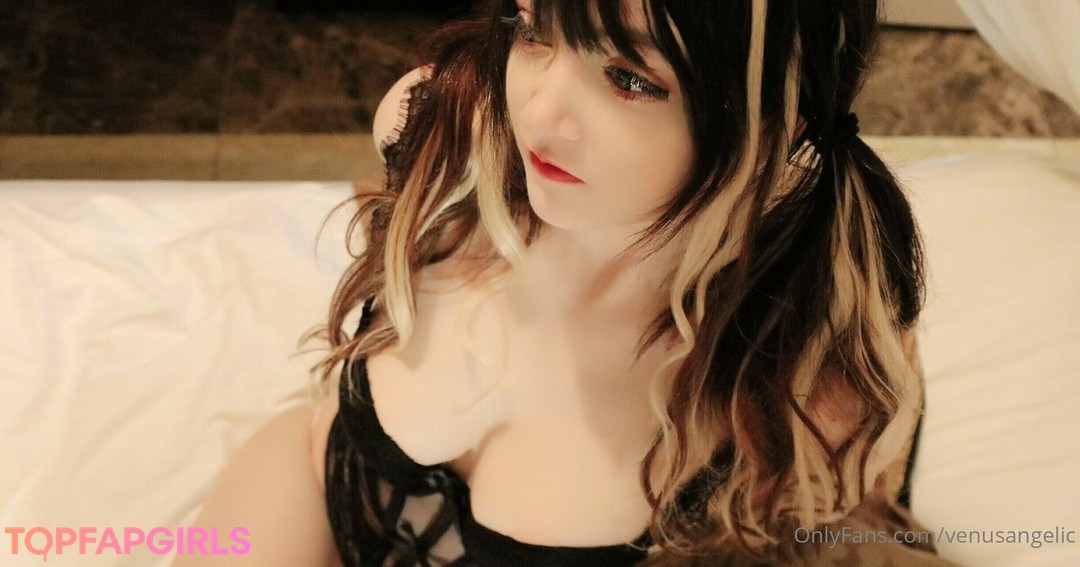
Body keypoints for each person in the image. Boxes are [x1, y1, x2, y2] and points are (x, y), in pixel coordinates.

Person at [182, 0, 960, 565]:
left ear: (771, 124)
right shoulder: (435, 129)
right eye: (533, 29)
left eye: (628, 78)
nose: (540, 114)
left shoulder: (809, 384)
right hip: (314, 482)